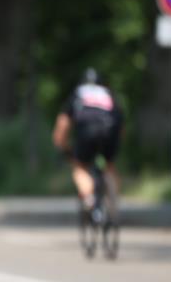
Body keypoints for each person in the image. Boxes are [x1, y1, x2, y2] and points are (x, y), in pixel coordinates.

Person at [52, 68, 124, 221]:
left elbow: (63, 124)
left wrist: (62, 145)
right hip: (110, 131)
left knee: (80, 167)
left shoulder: (79, 93)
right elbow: (120, 121)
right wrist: (116, 144)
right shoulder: (108, 93)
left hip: (87, 132)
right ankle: (113, 202)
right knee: (109, 166)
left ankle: (89, 197)